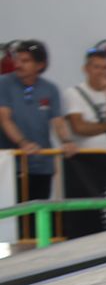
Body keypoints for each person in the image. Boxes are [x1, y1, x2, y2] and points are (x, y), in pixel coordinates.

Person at [0, 40, 78, 210]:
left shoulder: (50, 89)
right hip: (12, 166)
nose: (18, 64)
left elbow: (58, 121)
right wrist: (23, 143)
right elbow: (4, 118)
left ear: (40, 65)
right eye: (17, 60)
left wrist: (66, 141)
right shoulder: (4, 83)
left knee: (38, 216)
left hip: (42, 164)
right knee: (13, 219)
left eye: (25, 61)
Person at [63, 48, 106, 152]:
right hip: (84, 159)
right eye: (97, 67)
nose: (101, 72)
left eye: (105, 68)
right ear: (86, 69)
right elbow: (79, 128)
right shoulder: (73, 93)